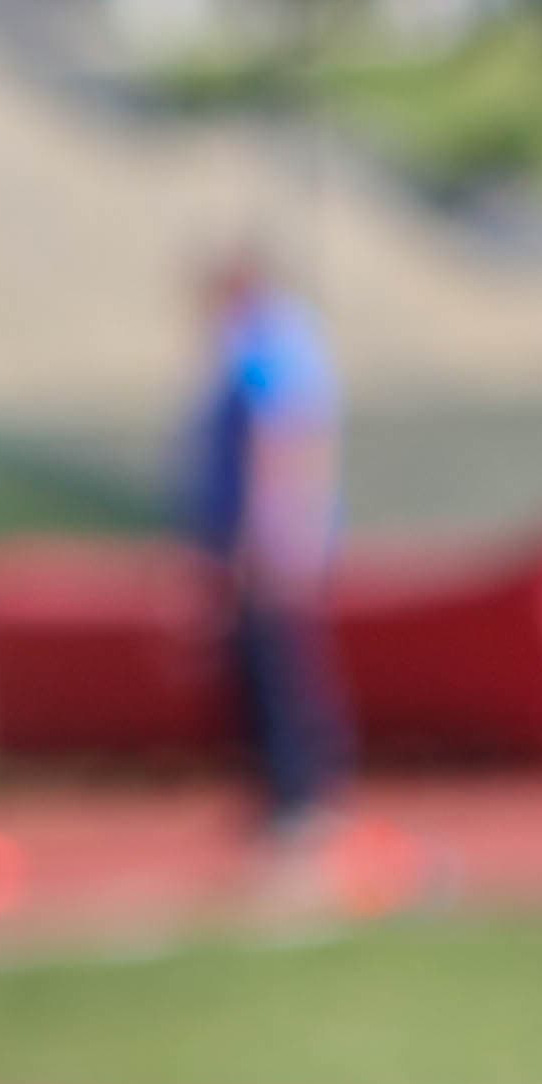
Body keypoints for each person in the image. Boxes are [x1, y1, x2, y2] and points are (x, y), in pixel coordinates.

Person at [182, 250, 348, 870]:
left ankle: (298, 798)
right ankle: (287, 795)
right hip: (266, 536)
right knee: (268, 665)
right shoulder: (271, 341)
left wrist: (265, 534)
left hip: (268, 540)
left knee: (278, 666)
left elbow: (279, 440)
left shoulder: (267, 343)